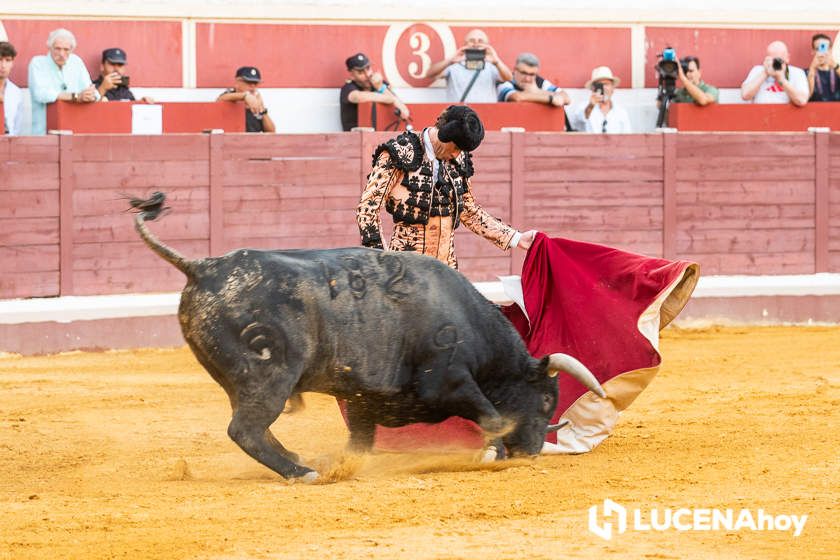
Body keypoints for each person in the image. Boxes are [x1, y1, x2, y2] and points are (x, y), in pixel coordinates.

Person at [356, 105, 536, 269]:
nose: (457, 154)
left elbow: (469, 211)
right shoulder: (400, 152)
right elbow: (367, 209)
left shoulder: (459, 159)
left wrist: (516, 238)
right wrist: (384, 264)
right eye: (456, 148)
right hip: (406, 269)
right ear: (444, 134)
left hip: (447, 272)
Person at [27, 28, 99, 135]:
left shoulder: (76, 62)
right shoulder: (38, 63)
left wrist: (90, 95)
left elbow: (92, 92)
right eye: (57, 49)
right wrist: (75, 97)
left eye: (66, 50)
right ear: (50, 47)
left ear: (71, 50)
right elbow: (41, 94)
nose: (62, 53)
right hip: (44, 131)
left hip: (73, 129)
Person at [425, 29, 513, 103]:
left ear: (487, 45)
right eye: (471, 40)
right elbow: (429, 74)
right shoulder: (454, 64)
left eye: (480, 41)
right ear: (464, 44)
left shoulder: (491, 65)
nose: (476, 44)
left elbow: (508, 78)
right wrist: (450, 60)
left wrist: (497, 61)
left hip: (486, 113)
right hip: (460, 115)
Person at [340, 52, 410, 131]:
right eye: (360, 72)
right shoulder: (348, 88)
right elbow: (357, 97)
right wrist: (391, 99)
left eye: (368, 68)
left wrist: (380, 87)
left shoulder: (379, 84)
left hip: (383, 134)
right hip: (355, 138)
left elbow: (404, 110)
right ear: (351, 75)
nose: (367, 74)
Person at [740, 40, 809, 106]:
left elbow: (801, 100)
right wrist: (765, 73)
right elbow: (745, 95)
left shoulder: (797, 72)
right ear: (767, 58)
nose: (776, 63)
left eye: (779, 60)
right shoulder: (758, 70)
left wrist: (781, 80)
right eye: (773, 59)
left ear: (787, 58)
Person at [569, 66, 632, 133]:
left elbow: (627, 137)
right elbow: (578, 121)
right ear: (593, 89)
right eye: (600, 85)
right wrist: (591, 106)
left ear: (612, 88)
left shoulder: (621, 112)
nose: (603, 88)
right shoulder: (583, 106)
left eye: (606, 84)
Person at [496, 52, 571, 108]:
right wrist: (550, 98)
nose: (527, 78)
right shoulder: (505, 81)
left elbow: (566, 98)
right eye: (523, 73)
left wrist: (536, 93)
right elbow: (516, 97)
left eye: (532, 74)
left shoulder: (540, 81)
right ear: (515, 70)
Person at [217, 66, 276, 133]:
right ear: (237, 82)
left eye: (255, 83)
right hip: (230, 141)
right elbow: (221, 99)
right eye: (248, 82)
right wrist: (244, 96)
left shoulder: (256, 102)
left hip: (252, 142)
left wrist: (262, 110)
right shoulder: (229, 96)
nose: (252, 86)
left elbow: (271, 131)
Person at [0, 41, 24, 136]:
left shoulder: (16, 92)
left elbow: (16, 129)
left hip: (8, 145)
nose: (3, 65)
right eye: (0, 59)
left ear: (12, 63)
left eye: (8, 60)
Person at [807, 33, 840, 102]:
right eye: (818, 49)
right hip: (815, 112)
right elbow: (808, 95)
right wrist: (812, 68)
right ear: (813, 51)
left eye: (825, 48)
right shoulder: (806, 73)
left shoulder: (837, 70)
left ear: (830, 50)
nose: (822, 52)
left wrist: (834, 65)